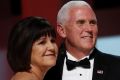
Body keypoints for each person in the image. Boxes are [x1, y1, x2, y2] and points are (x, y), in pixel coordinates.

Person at [44, 1, 120, 80]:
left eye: (92, 23)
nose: (89, 29)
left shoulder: (117, 66)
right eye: (81, 22)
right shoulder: (46, 70)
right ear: (62, 30)